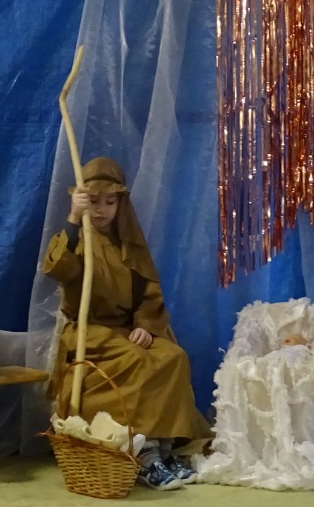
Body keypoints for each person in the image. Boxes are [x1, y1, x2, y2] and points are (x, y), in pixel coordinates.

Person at [41, 157, 210, 489]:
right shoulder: (78, 238)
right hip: (90, 332)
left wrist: (145, 323)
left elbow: (148, 290)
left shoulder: (129, 242)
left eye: (110, 201)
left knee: (172, 357)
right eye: (94, 201)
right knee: (136, 362)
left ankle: (162, 449)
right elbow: (58, 268)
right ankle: (143, 455)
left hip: (126, 329)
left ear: (120, 203)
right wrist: (73, 219)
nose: (101, 209)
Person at [195, 298, 314, 490]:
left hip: (296, 361)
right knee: (267, 365)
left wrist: (302, 348)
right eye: (286, 340)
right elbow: (267, 354)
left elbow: (310, 355)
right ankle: (265, 446)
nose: (287, 341)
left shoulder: (305, 350)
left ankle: (293, 441)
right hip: (272, 361)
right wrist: (278, 355)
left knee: (288, 365)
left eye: (292, 339)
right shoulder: (274, 351)